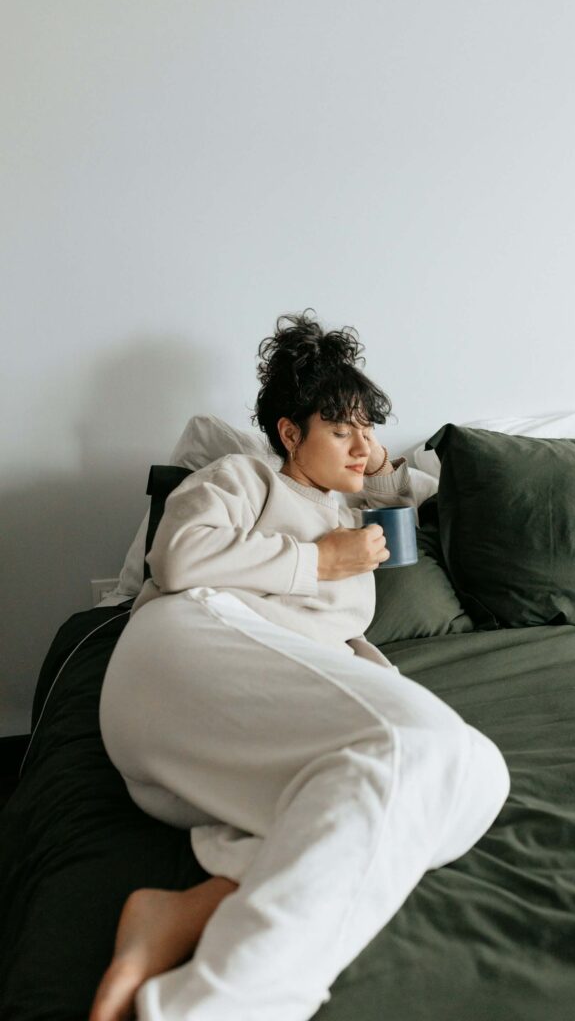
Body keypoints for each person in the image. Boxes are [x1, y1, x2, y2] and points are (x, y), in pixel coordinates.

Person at [90, 310, 510, 1021]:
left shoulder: (353, 511)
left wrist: (371, 464)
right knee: (435, 754)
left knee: (472, 783)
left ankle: (192, 908)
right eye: (339, 427)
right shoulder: (245, 477)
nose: (359, 445)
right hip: (192, 645)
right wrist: (317, 561)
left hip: (241, 728)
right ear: (290, 433)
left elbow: (425, 492)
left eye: (367, 429)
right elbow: (179, 557)